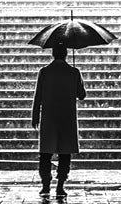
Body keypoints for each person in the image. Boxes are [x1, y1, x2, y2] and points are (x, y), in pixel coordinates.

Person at [31, 43, 85, 190]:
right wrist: (77, 79)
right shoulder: (74, 72)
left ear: (53, 54)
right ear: (66, 54)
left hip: (49, 117)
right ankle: (60, 185)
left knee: (45, 153)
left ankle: (45, 184)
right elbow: (82, 95)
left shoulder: (44, 72)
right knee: (64, 153)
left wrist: (35, 116)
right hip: (67, 118)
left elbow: (38, 97)